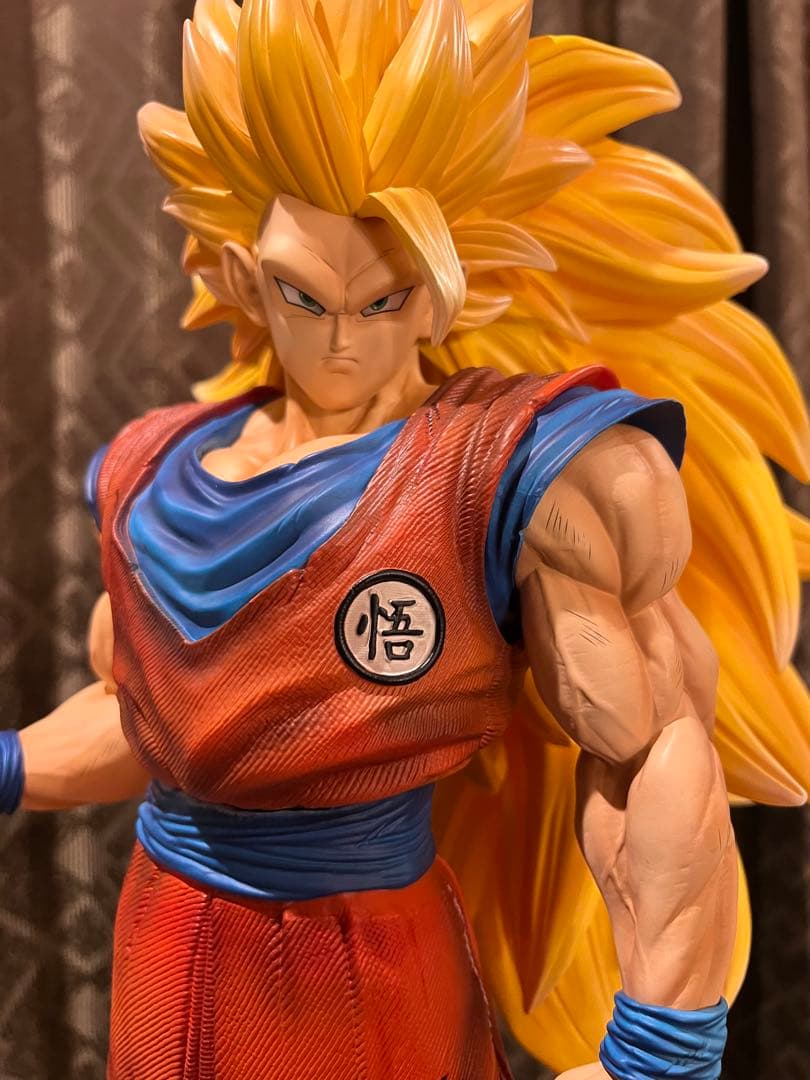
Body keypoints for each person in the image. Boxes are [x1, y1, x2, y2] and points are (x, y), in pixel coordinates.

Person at [1, 1, 808, 1077]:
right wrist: (11, 763)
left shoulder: (507, 469)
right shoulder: (151, 469)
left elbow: (654, 743)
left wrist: (663, 1046)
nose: (342, 339)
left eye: (383, 301)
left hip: (371, 973)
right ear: (242, 277)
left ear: (439, 298)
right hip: (164, 955)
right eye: (304, 296)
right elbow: (142, 717)